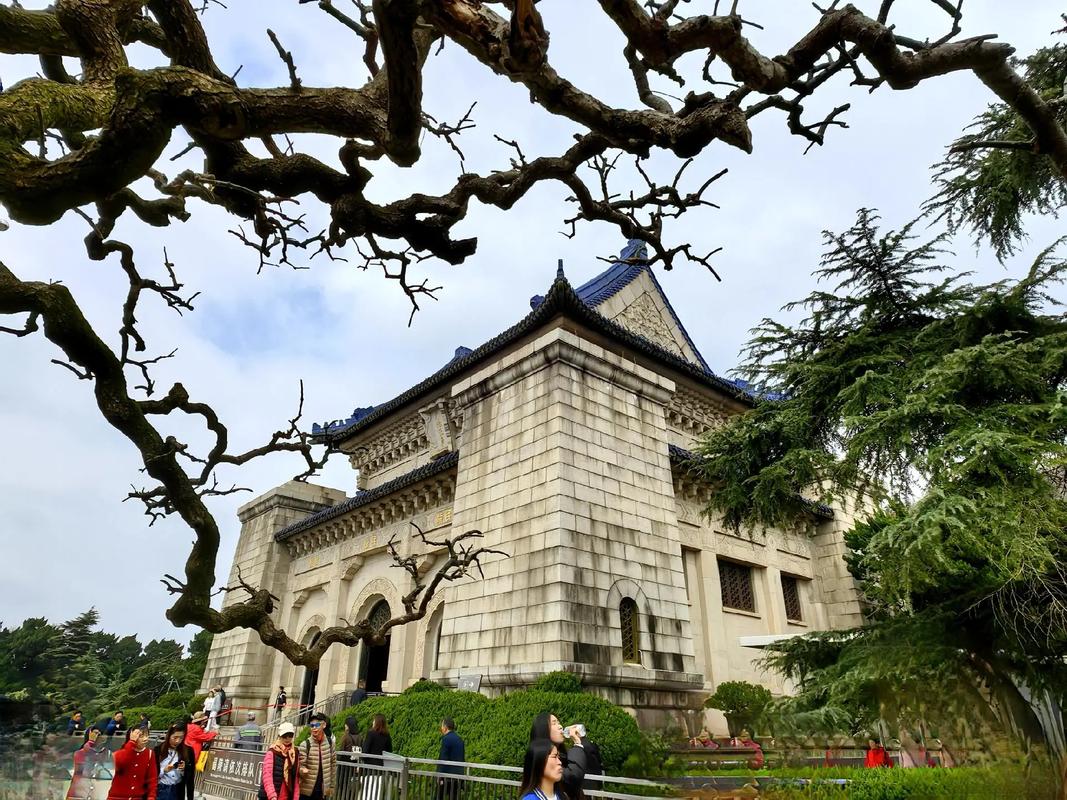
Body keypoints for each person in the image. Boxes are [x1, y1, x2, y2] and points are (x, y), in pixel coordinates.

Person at [529, 714, 586, 800]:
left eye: (559, 723)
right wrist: (577, 744)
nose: (560, 727)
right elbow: (573, 776)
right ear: (543, 731)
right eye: (554, 723)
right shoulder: (542, 758)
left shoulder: (562, 754)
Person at [107, 723, 158, 800]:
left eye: (147, 735)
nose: (145, 739)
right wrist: (131, 743)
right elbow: (119, 763)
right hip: (116, 797)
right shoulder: (120, 753)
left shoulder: (150, 754)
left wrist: (151, 797)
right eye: (141, 736)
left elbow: (152, 779)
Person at [297, 713, 336, 800]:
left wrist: (332, 786)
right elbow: (300, 766)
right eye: (312, 725)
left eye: (317, 725)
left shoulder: (330, 743)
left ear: (324, 725)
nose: (314, 728)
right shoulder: (305, 744)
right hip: (306, 791)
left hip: (322, 790)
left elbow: (333, 765)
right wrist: (302, 770)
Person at [260, 722, 299, 800]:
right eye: (284, 736)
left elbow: (296, 778)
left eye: (290, 735)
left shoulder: (295, 752)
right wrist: (272, 795)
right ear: (279, 736)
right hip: (271, 796)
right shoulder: (272, 752)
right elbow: (267, 775)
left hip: (287, 795)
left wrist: (296, 796)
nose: (288, 738)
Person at [154, 723, 193, 800]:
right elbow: (152, 774)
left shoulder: (188, 751)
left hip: (177, 790)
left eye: (181, 738)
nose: (178, 741)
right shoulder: (158, 750)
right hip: (161, 789)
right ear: (169, 736)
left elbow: (191, 777)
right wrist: (164, 770)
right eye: (175, 737)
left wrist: (184, 769)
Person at [65, 727, 106, 800]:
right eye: (95, 733)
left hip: (90, 787)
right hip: (78, 789)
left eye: (99, 734)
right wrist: (90, 742)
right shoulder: (80, 753)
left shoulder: (101, 752)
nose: (97, 736)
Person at [436, 717, 465, 800]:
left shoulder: (446, 739)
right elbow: (462, 759)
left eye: (442, 726)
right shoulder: (460, 740)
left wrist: (439, 776)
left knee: (439, 796)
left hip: (446, 777)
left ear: (445, 727)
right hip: (457, 777)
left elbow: (443, 758)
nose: (441, 728)